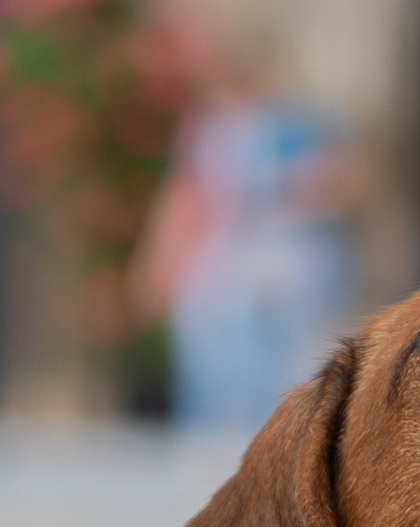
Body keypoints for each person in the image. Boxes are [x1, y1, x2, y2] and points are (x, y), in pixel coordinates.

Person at [137, 98, 363, 428]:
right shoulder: (208, 130)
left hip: (287, 267)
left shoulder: (303, 125)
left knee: (287, 372)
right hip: (229, 274)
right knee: (221, 381)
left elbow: (345, 190)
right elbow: (186, 200)